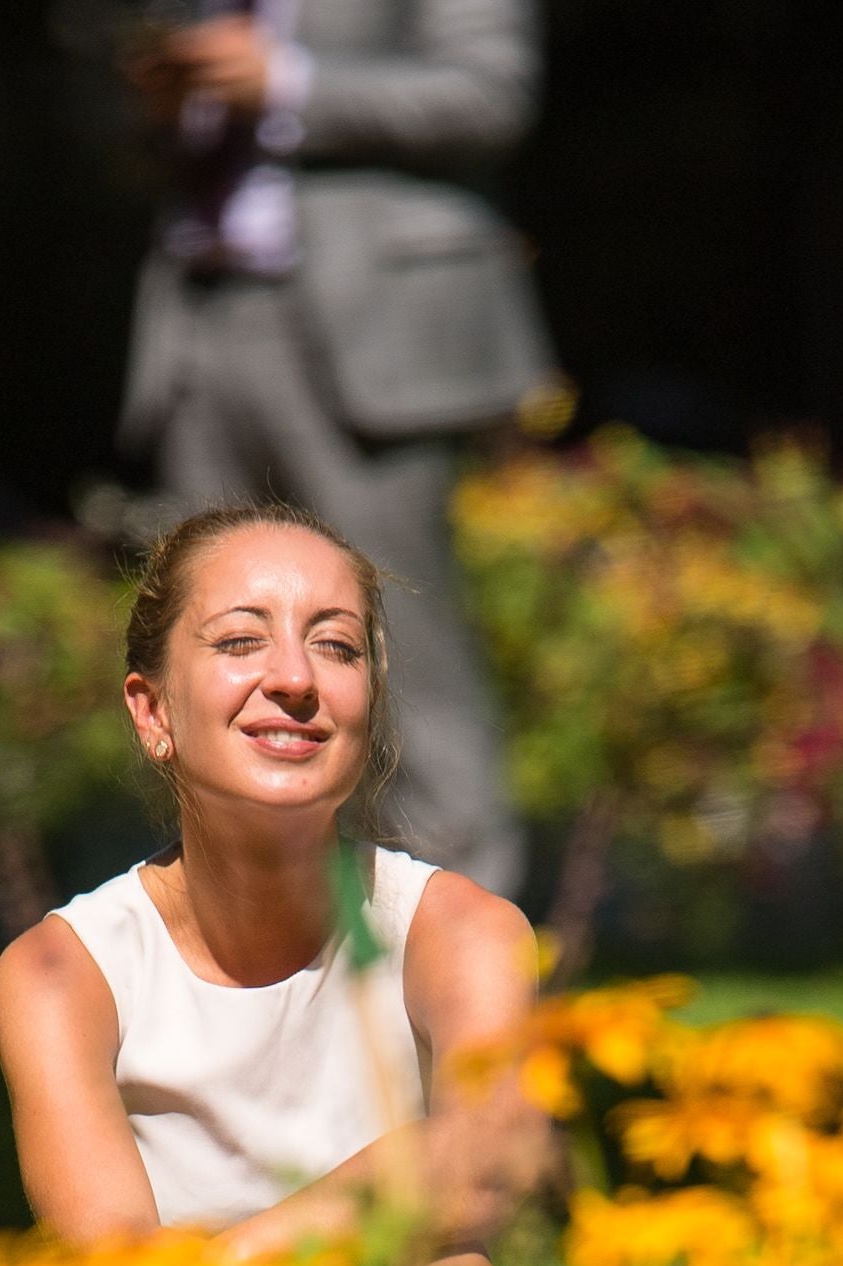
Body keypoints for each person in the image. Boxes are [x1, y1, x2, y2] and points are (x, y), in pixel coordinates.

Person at [0, 503, 546, 1266]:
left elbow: (488, 1155)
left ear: (366, 708)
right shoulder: (63, 972)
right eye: (240, 639)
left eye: (333, 646)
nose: (293, 676)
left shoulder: (461, 935)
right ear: (151, 712)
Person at [120, 0, 552, 899]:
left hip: (372, 336)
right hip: (197, 311)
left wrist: (287, 83)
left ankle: (465, 976)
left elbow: (490, 93)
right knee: (208, 648)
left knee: (401, 647)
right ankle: (248, 950)